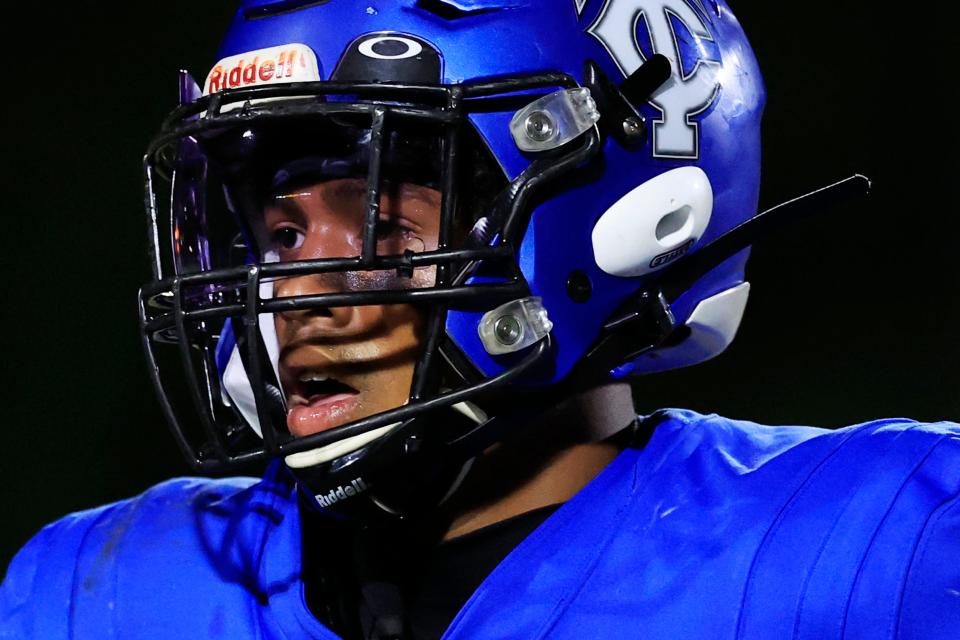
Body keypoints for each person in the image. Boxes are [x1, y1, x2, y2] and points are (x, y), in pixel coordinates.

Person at [2, 1, 958, 638]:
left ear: (598, 212)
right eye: (281, 235)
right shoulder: (101, 592)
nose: (293, 294)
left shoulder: (885, 546)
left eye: (380, 223)